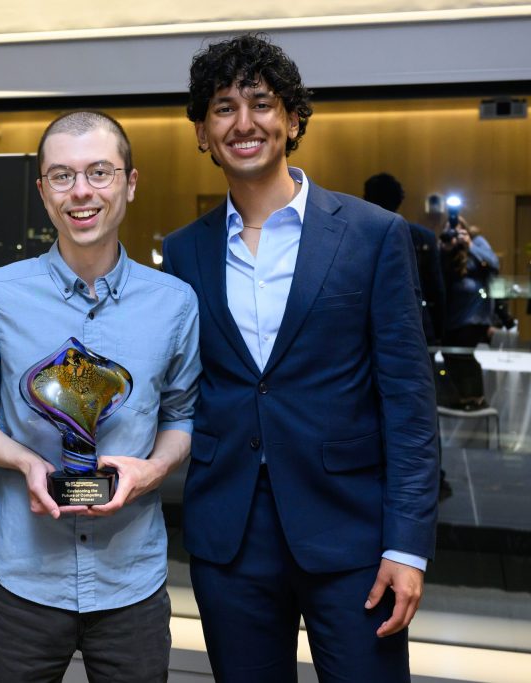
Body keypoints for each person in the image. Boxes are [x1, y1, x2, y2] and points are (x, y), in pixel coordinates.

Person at [162, 34, 439, 682]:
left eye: (261, 103)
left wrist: (407, 545)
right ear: (203, 132)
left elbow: (408, 403)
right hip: (231, 536)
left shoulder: (372, 235)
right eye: (224, 108)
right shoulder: (184, 251)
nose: (244, 122)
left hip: (352, 534)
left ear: (292, 119)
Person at [0, 110, 201, 682]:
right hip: (25, 581)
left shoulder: (174, 303)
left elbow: (182, 415)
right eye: (62, 175)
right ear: (43, 190)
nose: (81, 191)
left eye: (100, 172)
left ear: (130, 184)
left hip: (131, 582)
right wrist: (25, 462)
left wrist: (154, 470)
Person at [363, 173, 446, 346]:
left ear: (366, 198)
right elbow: (435, 288)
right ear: (400, 199)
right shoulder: (424, 236)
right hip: (415, 324)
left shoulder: (356, 234)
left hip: (366, 328)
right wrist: (438, 331)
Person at [439, 216, 500, 409]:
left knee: (465, 354)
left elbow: (494, 264)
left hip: (474, 313)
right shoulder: (445, 246)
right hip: (452, 315)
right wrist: (445, 250)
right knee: (450, 353)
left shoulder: (477, 241)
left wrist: (469, 245)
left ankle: (476, 398)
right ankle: (464, 397)